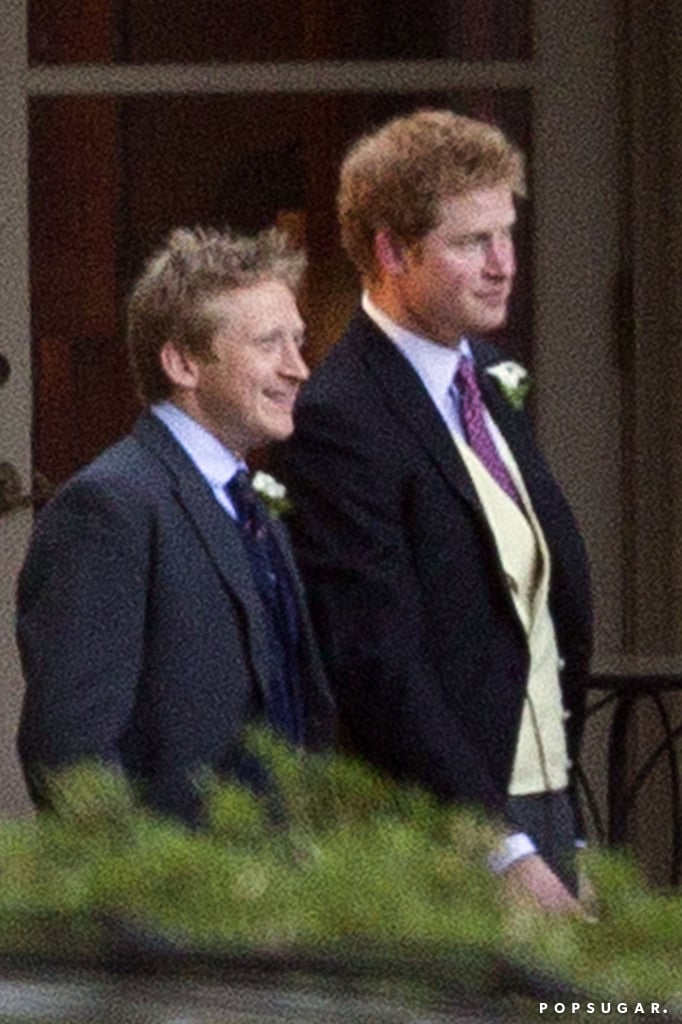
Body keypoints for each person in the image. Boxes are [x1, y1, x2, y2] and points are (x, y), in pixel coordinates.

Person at [275, 109, 593, 912]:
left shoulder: (485, 378)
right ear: (390, 251)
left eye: (506, 234)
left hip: (545, 800)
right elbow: (377, 658)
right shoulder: (342, 414)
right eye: (470, 242)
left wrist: (568, 832)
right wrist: (500, 847)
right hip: (450, 829)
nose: (503, 265)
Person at [17, 225, 334, 827]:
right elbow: (70, 760)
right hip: (180, 906)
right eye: (270, 344)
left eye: (298, 341)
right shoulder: (108, 508)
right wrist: (147, 912)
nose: (298, 368)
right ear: (183, 362)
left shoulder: (253, 504)